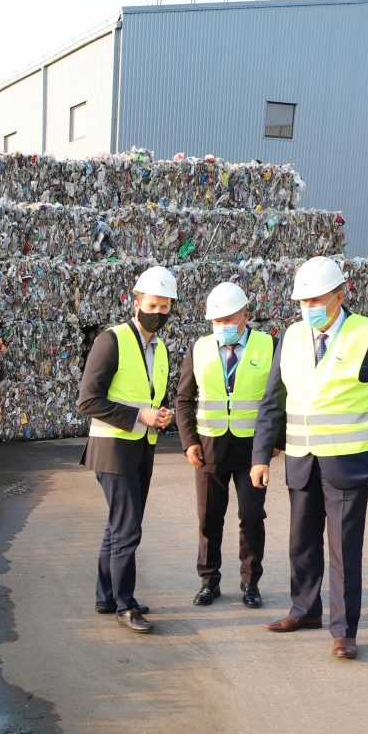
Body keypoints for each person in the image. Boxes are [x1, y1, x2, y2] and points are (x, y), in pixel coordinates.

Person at [251, 256, 368, 660]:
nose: (309, 308)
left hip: (346, 461)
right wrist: (260, 456)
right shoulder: (290, 337)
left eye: (316, 299)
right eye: (302, 301)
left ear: (340, 295)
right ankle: (304, 610)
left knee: (343, 549)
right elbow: (273, 401)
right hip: (302, 460)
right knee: (301, 543)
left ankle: (344, 631)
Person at [77, 267, 176, 634]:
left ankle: (107, 596)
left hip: (141, 447)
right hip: (113, 449)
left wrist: (159, 413)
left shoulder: (160, 347)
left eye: (166, 306)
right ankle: (125, 605)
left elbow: (151, 394)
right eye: (153, 304)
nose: (159, 312)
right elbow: (88, 401)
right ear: (136, 302)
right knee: (128, 529)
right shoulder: (111, 340)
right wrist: (139, 415)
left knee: (119, 526)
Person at [175, 282, 273, 608]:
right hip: (209, 448)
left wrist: (276, 440)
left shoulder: (267, 346)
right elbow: (184, 399)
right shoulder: (199, 349)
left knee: (252, 516)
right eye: (217, 321)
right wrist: (189, 441)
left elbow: (280, 398)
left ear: (246, 315)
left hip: (252, 451)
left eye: (229, 320)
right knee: (209, 518)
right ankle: (209, 581)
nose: (224, 327)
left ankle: (250, 583)